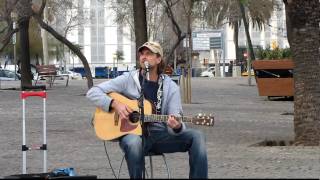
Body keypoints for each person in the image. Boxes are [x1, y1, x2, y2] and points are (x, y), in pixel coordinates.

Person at [86, 41, 208, 179]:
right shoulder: (128, 79)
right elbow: (93, 92)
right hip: (132, 135)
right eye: (142, 54)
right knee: (133, 143)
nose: (144, 57)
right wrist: (115, 104)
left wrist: (177, 126)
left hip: (160, 135)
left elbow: (176, 117)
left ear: (158, 59)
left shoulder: (170, 87)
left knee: (197, 137)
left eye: (149, 54)